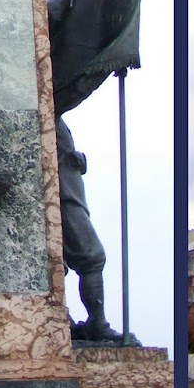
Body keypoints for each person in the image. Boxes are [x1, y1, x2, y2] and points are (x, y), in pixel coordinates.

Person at [55, 116, 117, 341]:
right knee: (91, 256)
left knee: (66, 262)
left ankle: (66, 319)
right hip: (63, 197)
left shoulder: (53, 113)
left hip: (67, 194)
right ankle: (96, 323)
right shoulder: (46, 105)